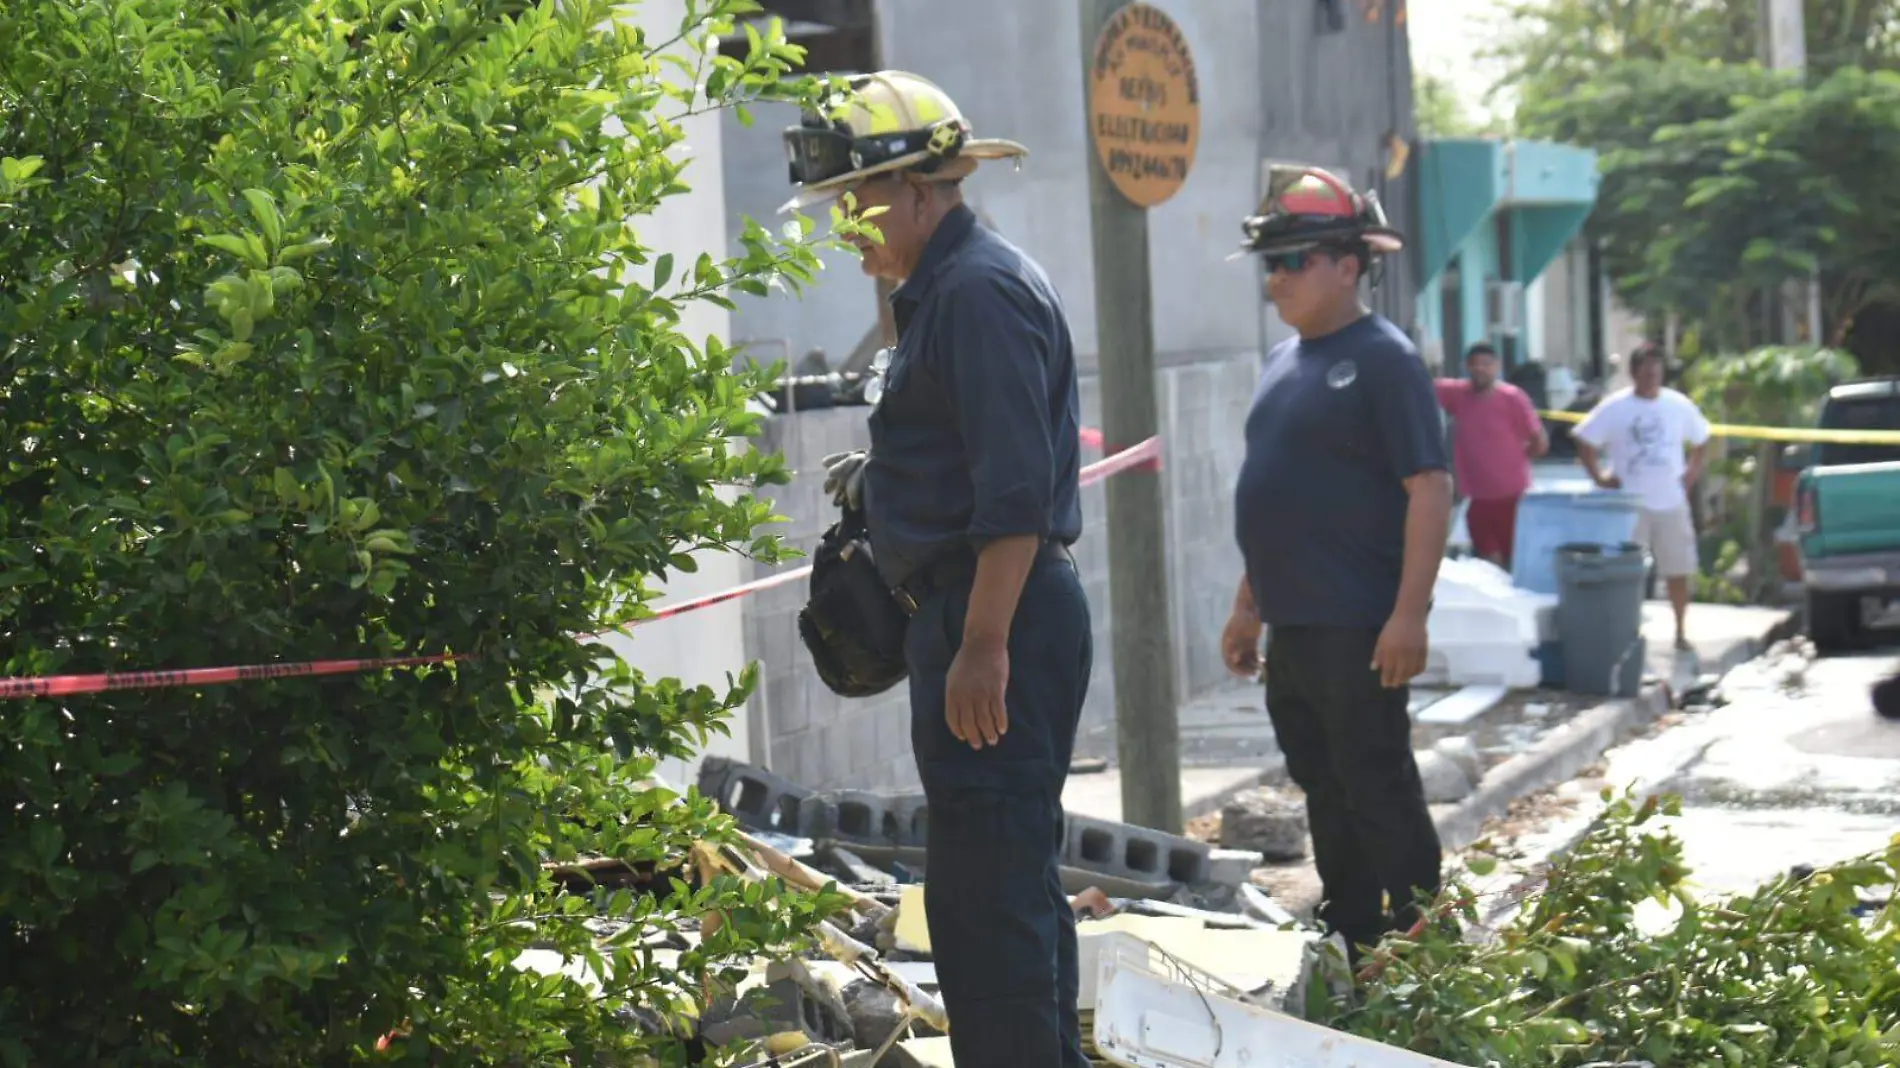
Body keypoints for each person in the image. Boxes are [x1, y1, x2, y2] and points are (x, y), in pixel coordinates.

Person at [784, 71, 1092, 1068]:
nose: (846, 226)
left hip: (993, 618)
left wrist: (982, 644)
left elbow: (1016, 496)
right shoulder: (948, 293)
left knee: (988, 911)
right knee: (995, 889)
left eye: (858, 201)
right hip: (969, 616)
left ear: (924, 185)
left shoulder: (978, 295)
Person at [1218, 165, 1453, 963]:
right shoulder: (1286, 361)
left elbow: (1430, 487)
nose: (1275, 278)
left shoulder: (1384, 358)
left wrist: (1409, 613)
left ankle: (1424, 940)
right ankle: (1351, 926)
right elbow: (1275, 500)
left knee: (1376, 782)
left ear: (1349, 265)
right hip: (1294, 622)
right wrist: (1249, 604)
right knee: (1322, 780)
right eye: (1269, 263)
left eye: (1294, 260)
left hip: (1359, 621)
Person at [1572, 342, 1711, 651]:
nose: (1651, 378)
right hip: (1629, 504)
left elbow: (1702, 438)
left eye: (1656, 373)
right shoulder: (1615, 407)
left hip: (1670, 500)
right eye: (1645, 373)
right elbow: (1584, 438)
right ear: (1634, 374)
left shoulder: (1677, 405)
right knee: (1627, 571)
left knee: (1678, 568)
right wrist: (1599, 476)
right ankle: (1627, 630)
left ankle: (1680, 630)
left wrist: (1692, 471)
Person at [1435, 342, 1549, 568]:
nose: (1480, 369)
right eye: (1475, 364)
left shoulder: (1513, 397)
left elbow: (1540, 443)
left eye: (1486, 364)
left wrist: (1514, 459)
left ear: (1496, 366)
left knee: (1515, 561)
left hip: (1514, 496)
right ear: (1467, 367)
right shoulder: (1458, 395)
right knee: (1489, 563)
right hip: (1478, 498)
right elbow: (1418, 384)